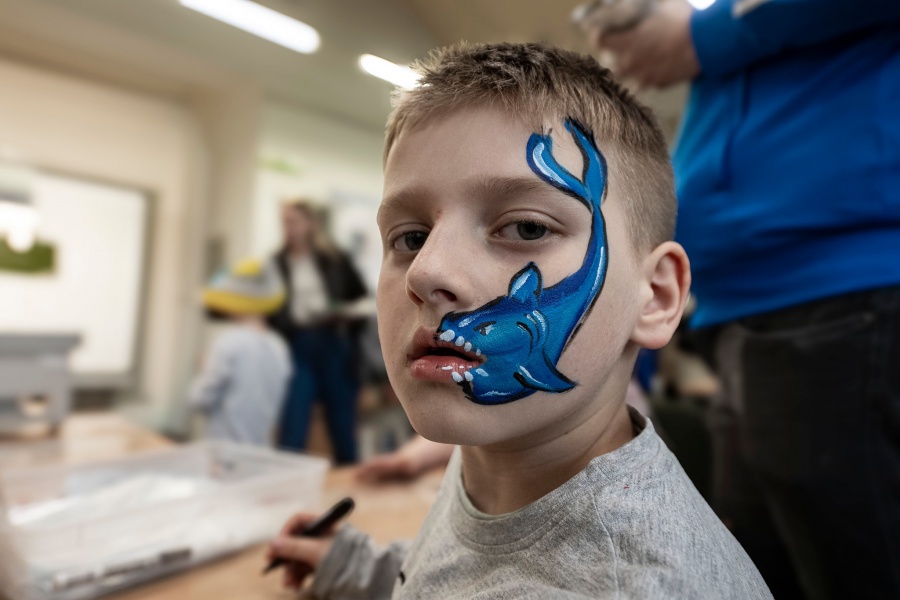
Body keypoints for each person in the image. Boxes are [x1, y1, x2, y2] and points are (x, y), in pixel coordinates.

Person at [265, 42, 772, 599]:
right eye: (410, 238)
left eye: (527, 227)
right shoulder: (499, 451)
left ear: (654, 296)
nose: (427, 270)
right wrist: (356, 567)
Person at [591, 2, 900, 597]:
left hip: (835, 289)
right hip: (746, 312)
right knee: (758, 571)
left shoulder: (725, 29)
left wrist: (705, 36)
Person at [271, 200, 368, 464]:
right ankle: (286, 482)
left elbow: (361, 298)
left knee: (342, 424)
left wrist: (343, 313)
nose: (288, 228)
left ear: (311, 224)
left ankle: (350, 478)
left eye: (294, 221)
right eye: (285, 222)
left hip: (333, 342)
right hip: (297, 343)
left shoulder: (334, 259)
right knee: (294, 422)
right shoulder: (277, 263)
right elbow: (272, 310)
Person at [189, 259, 291, 446]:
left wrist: (205, 368)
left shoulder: (229, 342)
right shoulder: (280, 347)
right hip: (261, 454)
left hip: (225, 454)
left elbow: (199, 400)